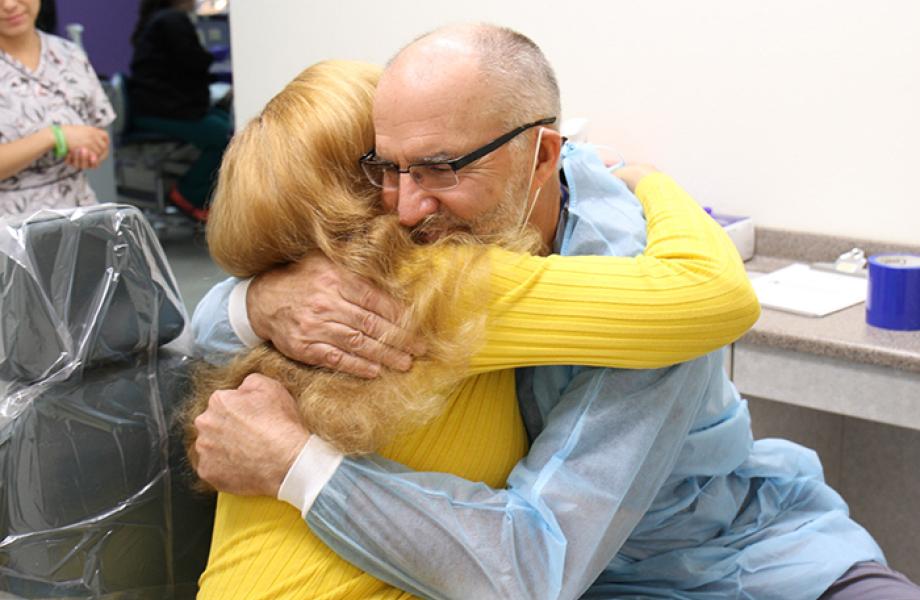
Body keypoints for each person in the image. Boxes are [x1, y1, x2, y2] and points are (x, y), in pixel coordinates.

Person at [192, 24, 919, 599]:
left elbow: (534, 566)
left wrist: (295, 462)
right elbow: (196, 335)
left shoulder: (628, 289)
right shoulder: (417, 258)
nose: (408, 210)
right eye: (389, 169)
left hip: (731, 561)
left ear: (543, 157)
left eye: (444, 168)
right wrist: (259, 302)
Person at [0, 0, 113, 217]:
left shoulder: (69, 54)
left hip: (78, 215)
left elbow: (99, 136)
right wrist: (53, 136)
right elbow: (61, 135)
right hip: (9, 232)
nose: (10, 5)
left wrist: (89, 151)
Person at [128, 0, 230, 222]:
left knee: (225, 122)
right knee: (222, 134)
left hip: (162, 106)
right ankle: (188, 194)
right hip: (160, 110)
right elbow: (193, 63)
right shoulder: (172, 20)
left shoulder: (159, 20)